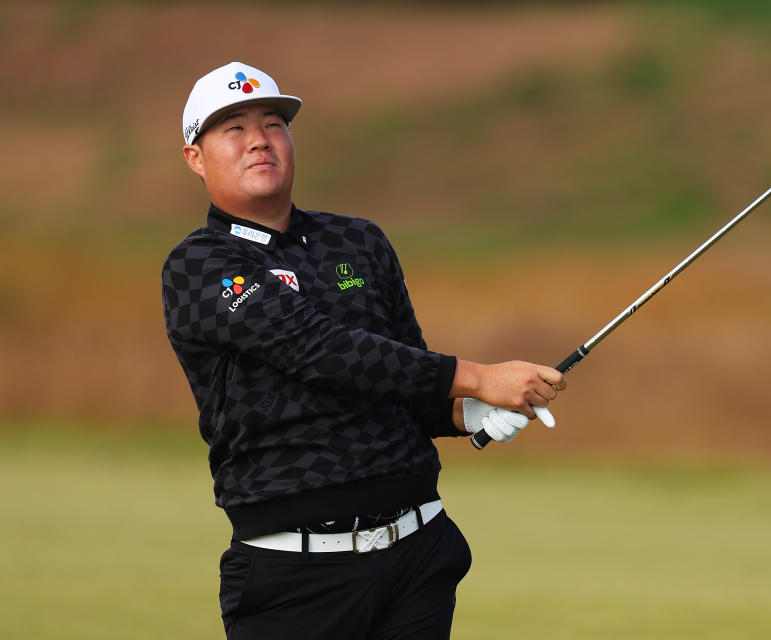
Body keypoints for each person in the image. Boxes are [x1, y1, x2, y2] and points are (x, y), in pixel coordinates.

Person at [161, 61, 566, 640]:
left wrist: (469, 412)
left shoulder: (358, 240)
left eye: (273, 122)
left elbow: (409, 382)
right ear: (194, 157)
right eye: (233, 128)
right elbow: (317, 349)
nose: (258, 140)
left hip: (417, 553)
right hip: (297, 573)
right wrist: (477, 379)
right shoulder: (200, 265)